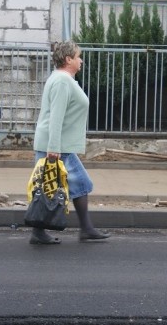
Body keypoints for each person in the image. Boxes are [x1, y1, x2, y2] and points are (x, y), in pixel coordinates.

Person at [30, 41, 110, 245]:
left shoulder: (63, 79)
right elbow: (56, 116)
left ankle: (45, 232)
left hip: (59, 145)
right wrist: (54, 148)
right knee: (70, 185)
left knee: (50, 186)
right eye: (78, 56)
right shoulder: (62, 81)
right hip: (57, 146)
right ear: (68, 60)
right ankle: (85, 229)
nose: (80, 60)